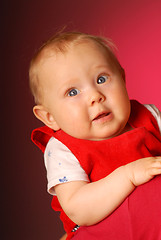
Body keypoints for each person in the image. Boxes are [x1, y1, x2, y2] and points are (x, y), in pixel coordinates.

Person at [29, 31, 161, 240]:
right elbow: (78, 209)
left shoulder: (149, 117)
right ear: (49, 116)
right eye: (72, 92)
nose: (95, 96)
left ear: (123, 79)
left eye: (101, 79)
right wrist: (128, 176)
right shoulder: (62, 149)